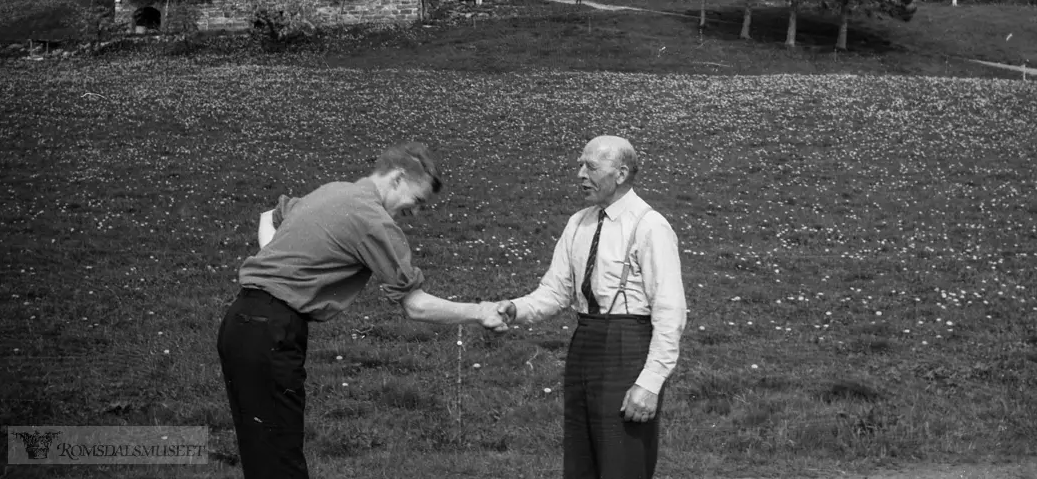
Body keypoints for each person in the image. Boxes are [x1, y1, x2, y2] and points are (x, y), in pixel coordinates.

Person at [217, 142, 508, 479]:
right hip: (271, 332)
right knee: (279, 463)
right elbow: (415, 305)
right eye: (417, 202)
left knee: (263, 455)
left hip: (241, 324)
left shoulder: (332, 192)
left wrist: (279, 266)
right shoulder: (372, 219)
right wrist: (480, 312)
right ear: (398, 178)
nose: (415, 213)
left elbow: (269, 215)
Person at [498, 136, 687, 479]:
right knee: (581, 460)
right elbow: (555, 292)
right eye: (579, 166)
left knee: (623, 462)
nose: (581, 175)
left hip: (628, 347)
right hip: (585, 343)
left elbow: (670, 311)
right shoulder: (579, 223)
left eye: (591, 167)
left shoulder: (650, 226)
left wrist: (651, 381)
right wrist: (513, 309)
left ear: (621, 173)